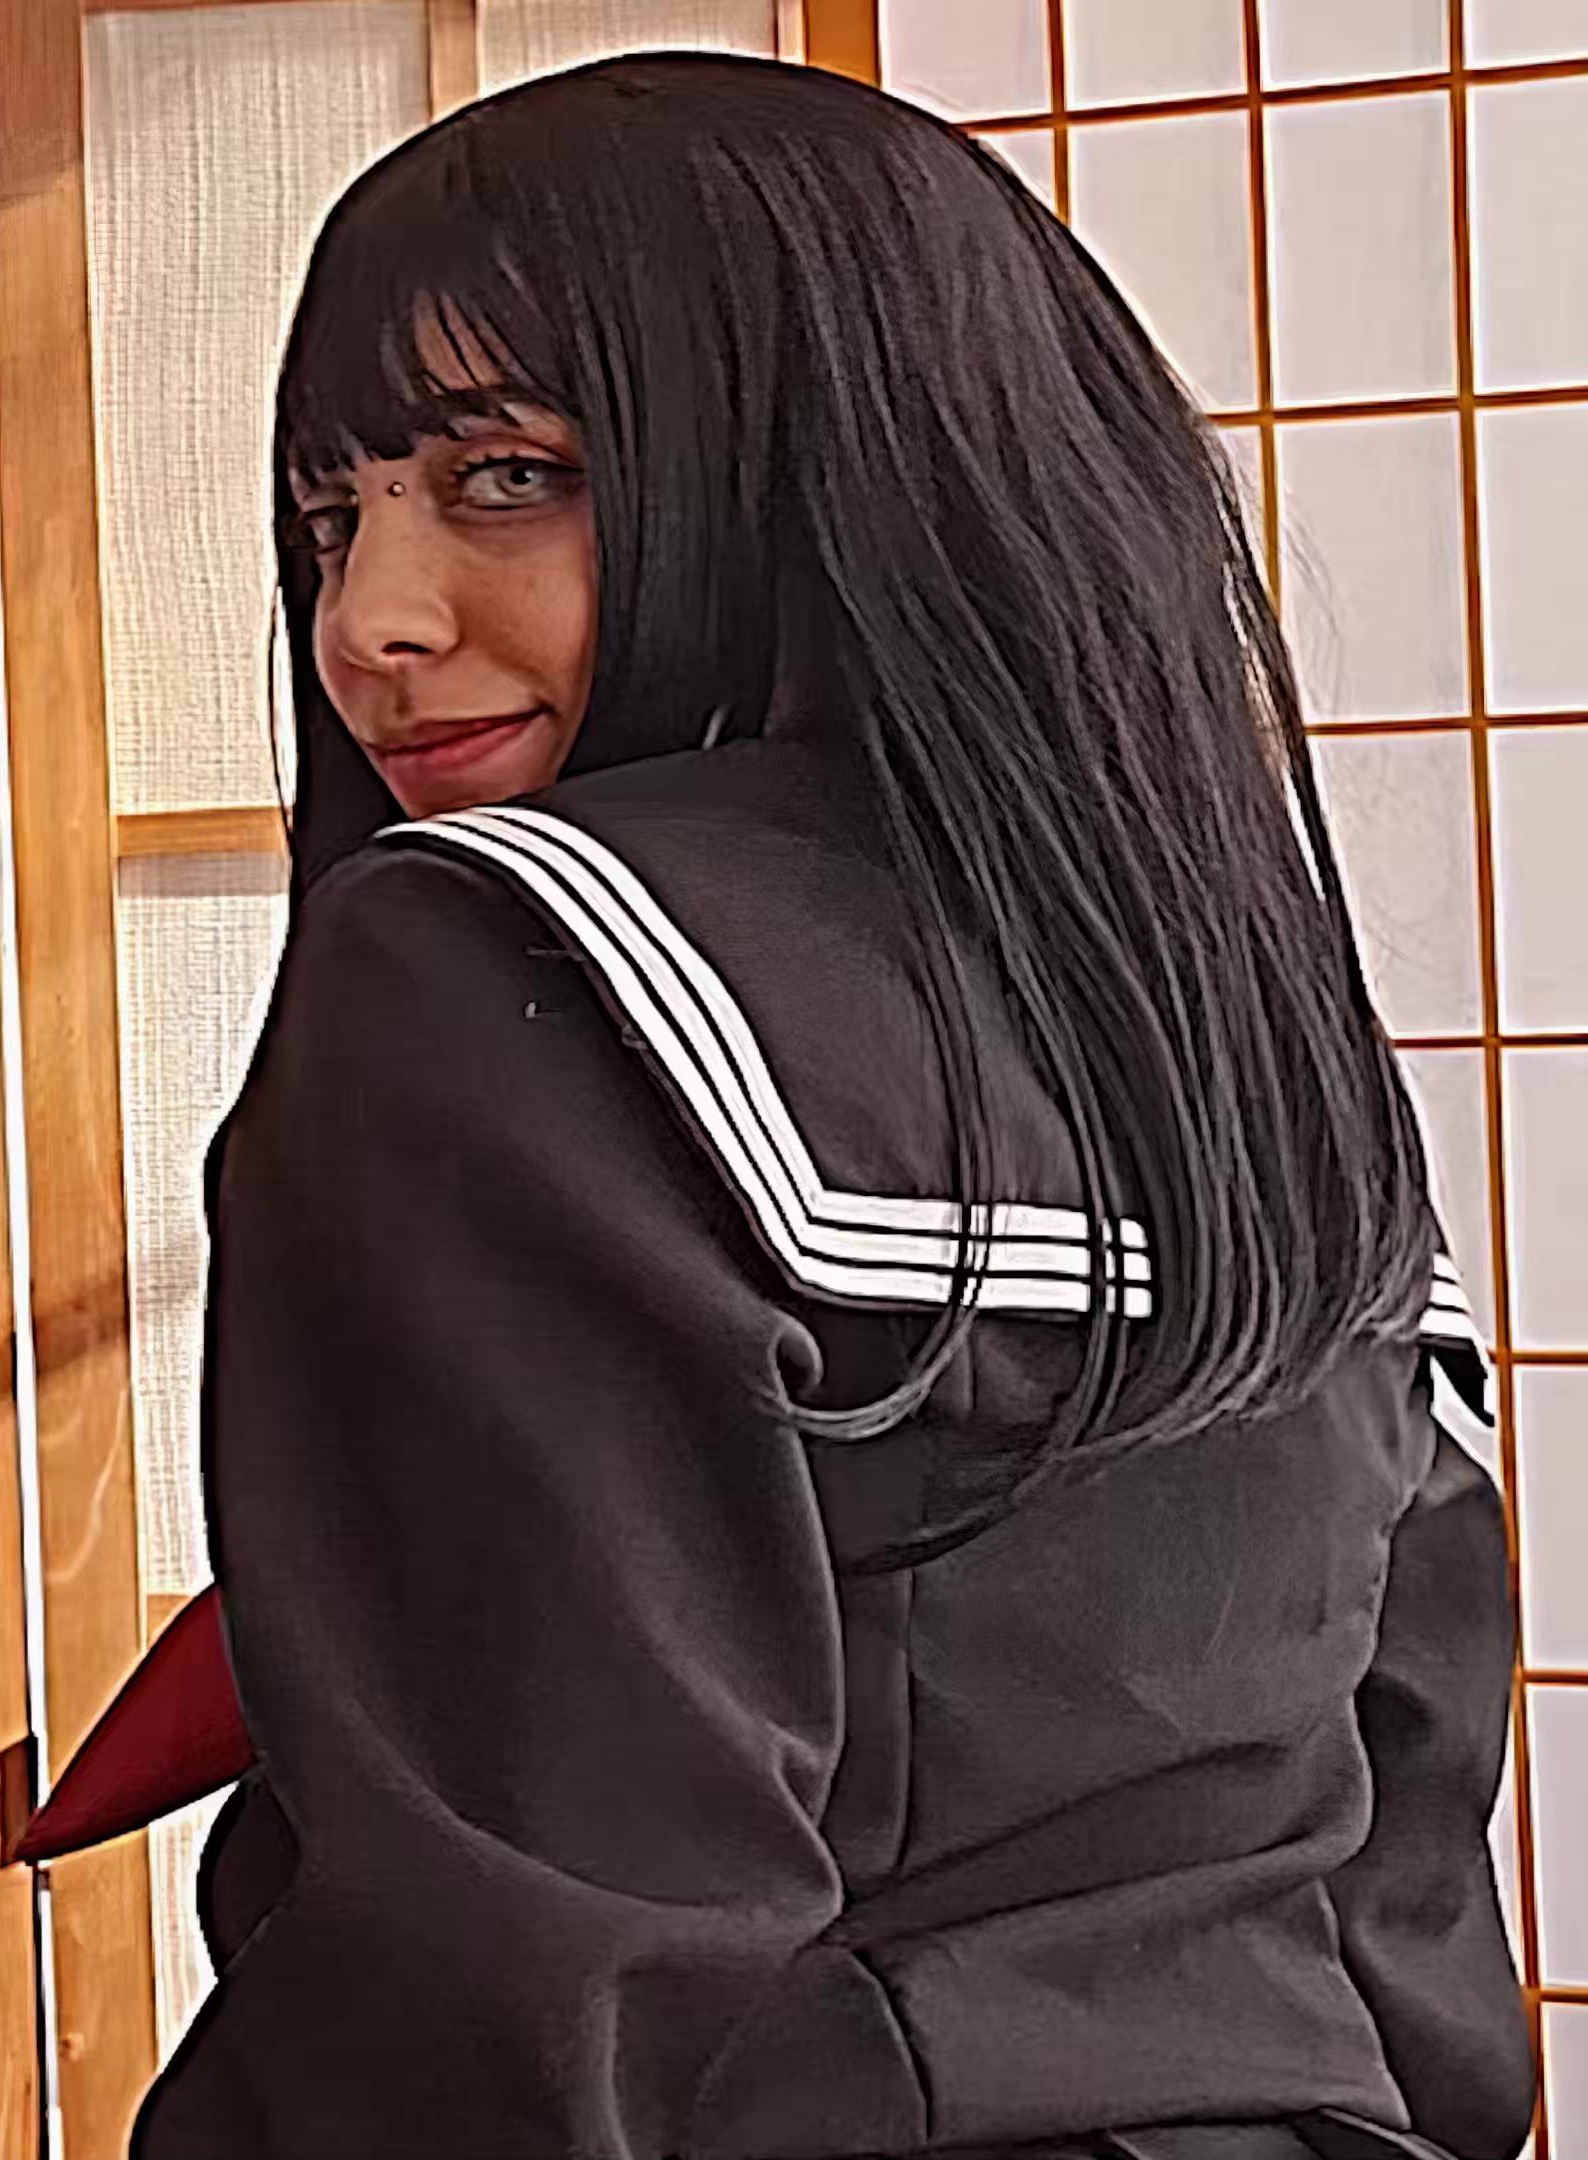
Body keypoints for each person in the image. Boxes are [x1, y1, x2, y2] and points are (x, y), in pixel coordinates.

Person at [132, 55, 1529, 2160]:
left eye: (505, 474)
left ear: (823, 463)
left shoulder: (488, 961)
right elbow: (1411, 1833)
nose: (367, 623)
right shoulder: (1230, 1015)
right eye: (335, 518)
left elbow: (530, 1951)